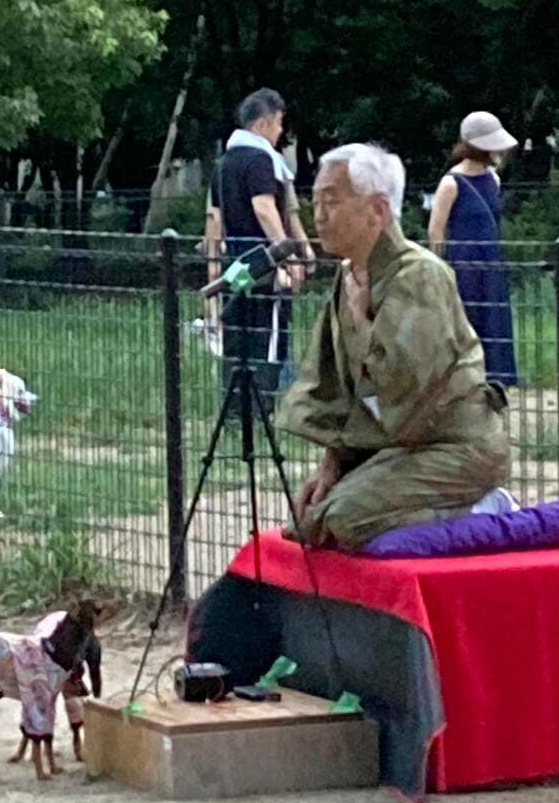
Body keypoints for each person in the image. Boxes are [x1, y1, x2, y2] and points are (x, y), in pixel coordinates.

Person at [278, 142, 510, 550]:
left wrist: (365, 320)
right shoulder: (350, 276)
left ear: (378, 210)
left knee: (343, 519)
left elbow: (402, 385)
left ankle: (481, 509)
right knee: (309, 520)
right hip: (401, 443)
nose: (319, 215)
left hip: (455, 446)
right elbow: (335, 384)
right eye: (315, 202)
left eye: (331, 201)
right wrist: (333, 464)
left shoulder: (421, 276)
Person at [207, 89, 314, 408]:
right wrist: (288, 254)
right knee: (267, 333)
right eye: (279, 123)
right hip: (264, 262)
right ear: (264, 122)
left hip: (234, 262)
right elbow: (264, 208)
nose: (281, 131)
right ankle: (261, 407)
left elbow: (216, 216)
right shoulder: (260, 159)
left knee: (237, 335)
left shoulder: (224, 162)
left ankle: (234, 409)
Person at [427, 111, 518, 386]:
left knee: (493, 318)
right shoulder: (451, 183)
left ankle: (496, 378)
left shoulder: (494, 180)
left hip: (491, 261)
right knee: (466, 317)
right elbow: (436, 228)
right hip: (463, 264)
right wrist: (440, 266)